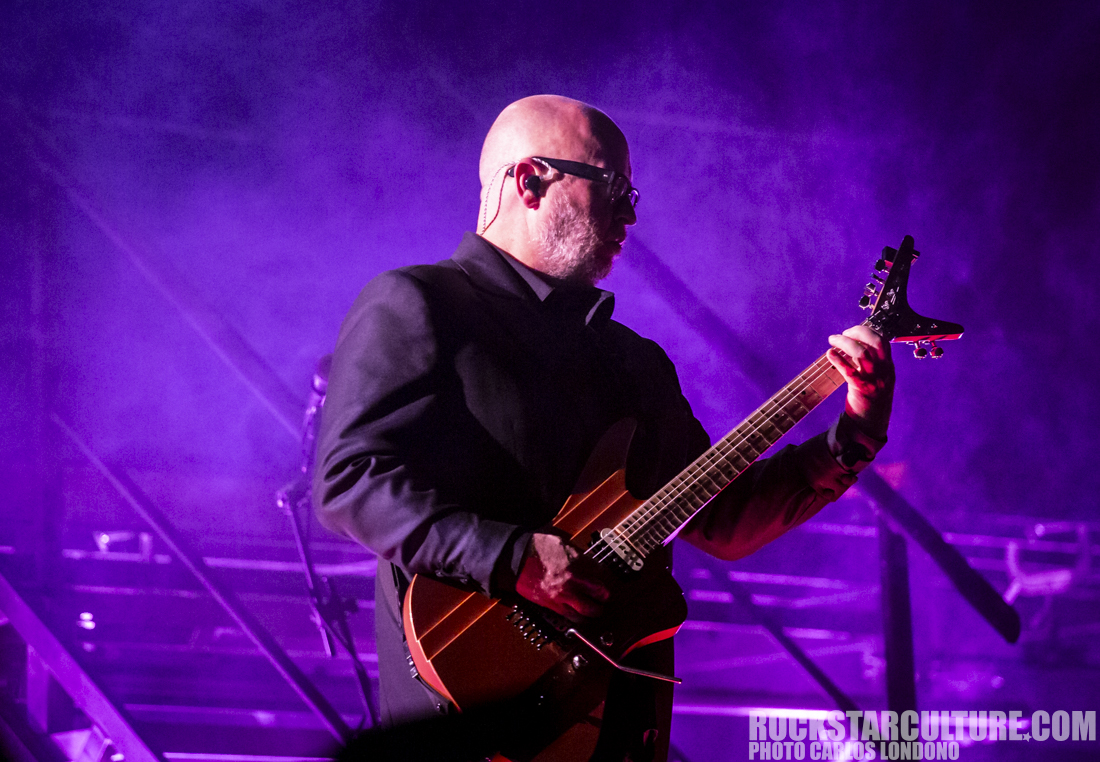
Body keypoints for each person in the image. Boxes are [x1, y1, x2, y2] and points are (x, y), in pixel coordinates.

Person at [313, 95, 894, 762]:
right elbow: (349, 479)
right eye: (613, 187)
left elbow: (725, 520)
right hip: (469, 715)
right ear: (530, 180)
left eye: (633, 192)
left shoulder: (633, 362)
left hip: (617, 718)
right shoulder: (421, 305)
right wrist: (511, 559)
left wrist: (853, 435)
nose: (631, 214)